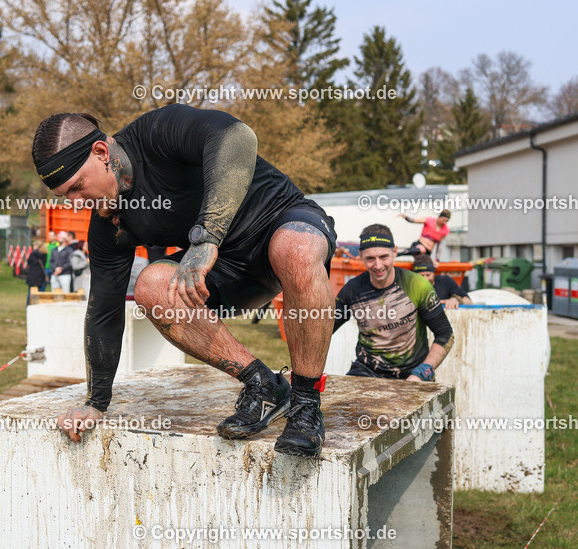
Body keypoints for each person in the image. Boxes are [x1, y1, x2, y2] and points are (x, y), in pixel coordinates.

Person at [33, 106, 338, 457]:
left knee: (294, 248)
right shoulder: (109, 223)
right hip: (231, 274)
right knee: (151, 286)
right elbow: (104, 308)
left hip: (283, 226)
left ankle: (305, 403)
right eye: (64, 197)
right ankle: (264, 385)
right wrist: (96, 402)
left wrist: (207, 238)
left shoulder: (157, 133)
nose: (75, 203)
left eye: (77, 187)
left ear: (101, 153)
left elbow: (240, 137)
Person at [333, 224, 453, 381]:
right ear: (361, 256)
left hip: (411, 374)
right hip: (366, 372)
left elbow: (446, 335)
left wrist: (422, 372)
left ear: (395, 252)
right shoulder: (352, 289)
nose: (378, 266)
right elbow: (324, 329)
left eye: (384, 257)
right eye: (370, 258)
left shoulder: (417, 285)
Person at [25, 241, 48, 305]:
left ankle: (29, 305)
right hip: (41, 275)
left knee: (31, 292)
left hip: (33, 274)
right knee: (40, 292)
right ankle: (39, 305)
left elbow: (29, 262)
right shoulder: (44, 254)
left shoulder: (33, 254)